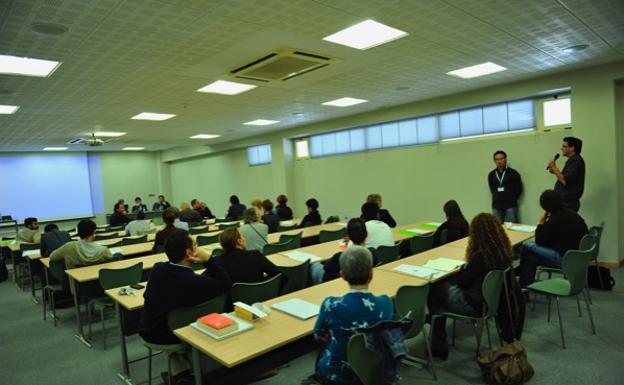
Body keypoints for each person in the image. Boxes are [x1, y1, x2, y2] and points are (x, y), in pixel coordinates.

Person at [139, 231, 230, 384]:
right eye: (196, 246)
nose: (198, 248)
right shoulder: (194, 282)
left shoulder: (158, 269)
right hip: (170, 336)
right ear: (189, 253)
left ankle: (182, 374)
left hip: (149, 329)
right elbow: (225, 284)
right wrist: (208, 259)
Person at [427, 213, 512, 359]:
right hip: (489, 304)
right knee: (439, 295)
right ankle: (436, 329)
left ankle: (437, 340)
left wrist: (464, 270)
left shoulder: (481, 257)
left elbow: (462, 283)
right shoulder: (502, 252)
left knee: (433, 286)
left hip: (472, 305)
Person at [313, 246, 393, 384]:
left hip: (336, 374)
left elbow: (318, 336)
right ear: (371, 274)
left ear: (342, 275)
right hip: (373, 370)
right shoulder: (386, 303)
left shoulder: (331, 305)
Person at [518, 190, 588, 287]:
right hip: (578, 259)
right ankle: (524, 288)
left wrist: (541, 223)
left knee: (526, 246)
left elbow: (539, 241)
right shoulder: (573, 214)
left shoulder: (554, 220)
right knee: (530, 260)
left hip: (564, 259)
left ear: (545, 207)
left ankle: (518, 271)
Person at [310, 218, 380, 284]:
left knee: (314, 264)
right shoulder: (373, 253)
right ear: (367, 234)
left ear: (348, 236)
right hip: (356, 282)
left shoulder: (340, 256)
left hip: (335, 282)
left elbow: (326, 268)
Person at [214, 227, 279, 284]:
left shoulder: (216, 262)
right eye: (243, 237)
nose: (244, 239)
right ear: (239, 241)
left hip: (233, 297)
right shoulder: (255, 255)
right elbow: (277, 274)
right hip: (260, 295)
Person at [49, 219, 113, 269]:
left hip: (74, 283)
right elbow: (112, 259)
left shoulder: (69, 247)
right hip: (98, 282)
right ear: (94, 232)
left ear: (78, 232)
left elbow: (52, 257)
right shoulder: (103, 250)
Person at [548, 136, 585, 212]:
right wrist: (555, 171)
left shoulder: (576, 161)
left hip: (568, 203)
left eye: (564, 146)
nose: (561, 148)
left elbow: (565, 181)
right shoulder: (572, 160)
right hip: (564, 201)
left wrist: (554, 167)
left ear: (572, 148)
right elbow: (565, 178)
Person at [487, 150, 523, 223]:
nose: (499, 161)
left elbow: (519, 189)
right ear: (494, 161)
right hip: (496, 206)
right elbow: (492, 189)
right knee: (498, 228)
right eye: (497, 159)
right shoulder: (491, 174)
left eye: (501, 158)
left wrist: (511, 198)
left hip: (510, 205)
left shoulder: (513, 173)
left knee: (512, 227)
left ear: (505, 159)